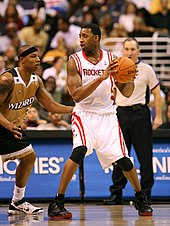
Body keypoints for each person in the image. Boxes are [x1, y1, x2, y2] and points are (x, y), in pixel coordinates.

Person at [47, 23, 153, 220]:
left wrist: (129, 78)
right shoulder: (74, 61)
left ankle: (140, 197)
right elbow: (76, 96)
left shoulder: (112, 60)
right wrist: (101, 78)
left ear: (96, 37)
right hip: (84, 114)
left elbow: (126, 92)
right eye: (80, 35)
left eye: (85, 36)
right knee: (79, 151)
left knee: (123, 159)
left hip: (108, 115)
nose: (80, 39)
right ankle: (57, 202)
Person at [0, 45, 73, 215]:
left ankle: (17, 201)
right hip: (4, 125)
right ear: (22, 59)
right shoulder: (7, 80)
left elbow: (51, 105)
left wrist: (75, 109)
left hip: (13, 129)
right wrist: (8, 125)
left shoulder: (36, 81)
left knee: (29, 158)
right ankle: (17, 201)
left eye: (38, 56)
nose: (38, 60)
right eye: (33, 56)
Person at [103, 37, 162, 206]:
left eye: (132, 49)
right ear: (122, 50)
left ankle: (144, 195)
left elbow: (157, 93)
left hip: (140, 114)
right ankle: (116, 193)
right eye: (126, 49)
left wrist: (158, 116)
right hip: (120, 114)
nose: (129, 52)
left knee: (145, 157)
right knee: (119, 155)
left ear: (138, 50)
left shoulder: (146, 69)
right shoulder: (115, 69)